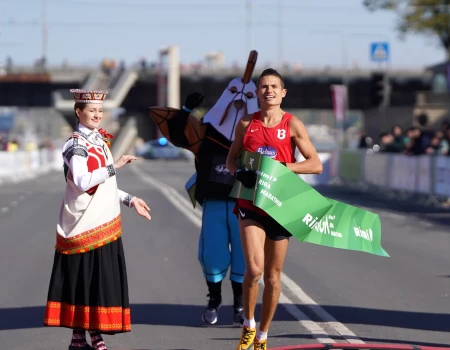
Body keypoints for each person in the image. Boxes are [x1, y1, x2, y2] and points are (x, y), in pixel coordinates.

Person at [147, 50, 260, 326]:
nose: (238, 100)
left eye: (246, 96)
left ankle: (239, 306)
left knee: (245, 256)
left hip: (244, 204)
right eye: (234, 92)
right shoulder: (204, 133)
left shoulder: (256, 135)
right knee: (212, 252)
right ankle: (213, 300)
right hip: (213, 201)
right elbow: (177, 134)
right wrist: (185, 112)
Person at [44, 89, 151, 350]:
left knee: (94, 279)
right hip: (83, 223)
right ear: (78, 112)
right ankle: (89, 336)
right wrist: (116, 164)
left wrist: (129, 199)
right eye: (91, 110)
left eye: (100, 111)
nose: (97, 115)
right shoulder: (76, 144)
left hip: (103, 220)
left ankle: (83, 337)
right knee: (84, 278)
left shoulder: (99, 142)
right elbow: (82, 181)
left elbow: (104, 185)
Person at [226, 68, 322, 350]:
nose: (269, 90)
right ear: (257, 92)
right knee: (254, 269)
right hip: (251, 203)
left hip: (281, 206)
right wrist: (238, 174)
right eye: (264, 86)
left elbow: (315, 164)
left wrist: (284, 167)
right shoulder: (246, 123)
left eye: (274, 86)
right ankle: (248, 324)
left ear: (283, 93)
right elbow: (232, 159)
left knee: (272, 276)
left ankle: (263, 335)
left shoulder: (293, 125)